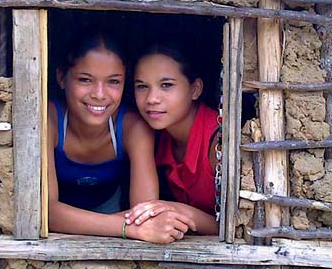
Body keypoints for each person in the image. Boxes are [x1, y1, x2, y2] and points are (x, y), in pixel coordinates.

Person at [47, 31, 196, 243]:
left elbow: (146, 215)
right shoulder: (48, 120)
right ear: (62, 78)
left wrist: (73, 221)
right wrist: (126, 227)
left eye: (113, 82)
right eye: (85, 80)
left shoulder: (133, 127)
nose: (99, 94)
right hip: (112, 225)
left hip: (112, 212)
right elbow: (46, 212)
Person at [125, 42, 221, 236]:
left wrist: (182, 212)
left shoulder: (218, 142)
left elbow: (240, 226)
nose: (152, 98)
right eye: (142, 86)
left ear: (195, 89)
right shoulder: (160, 138)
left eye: (166, 85)